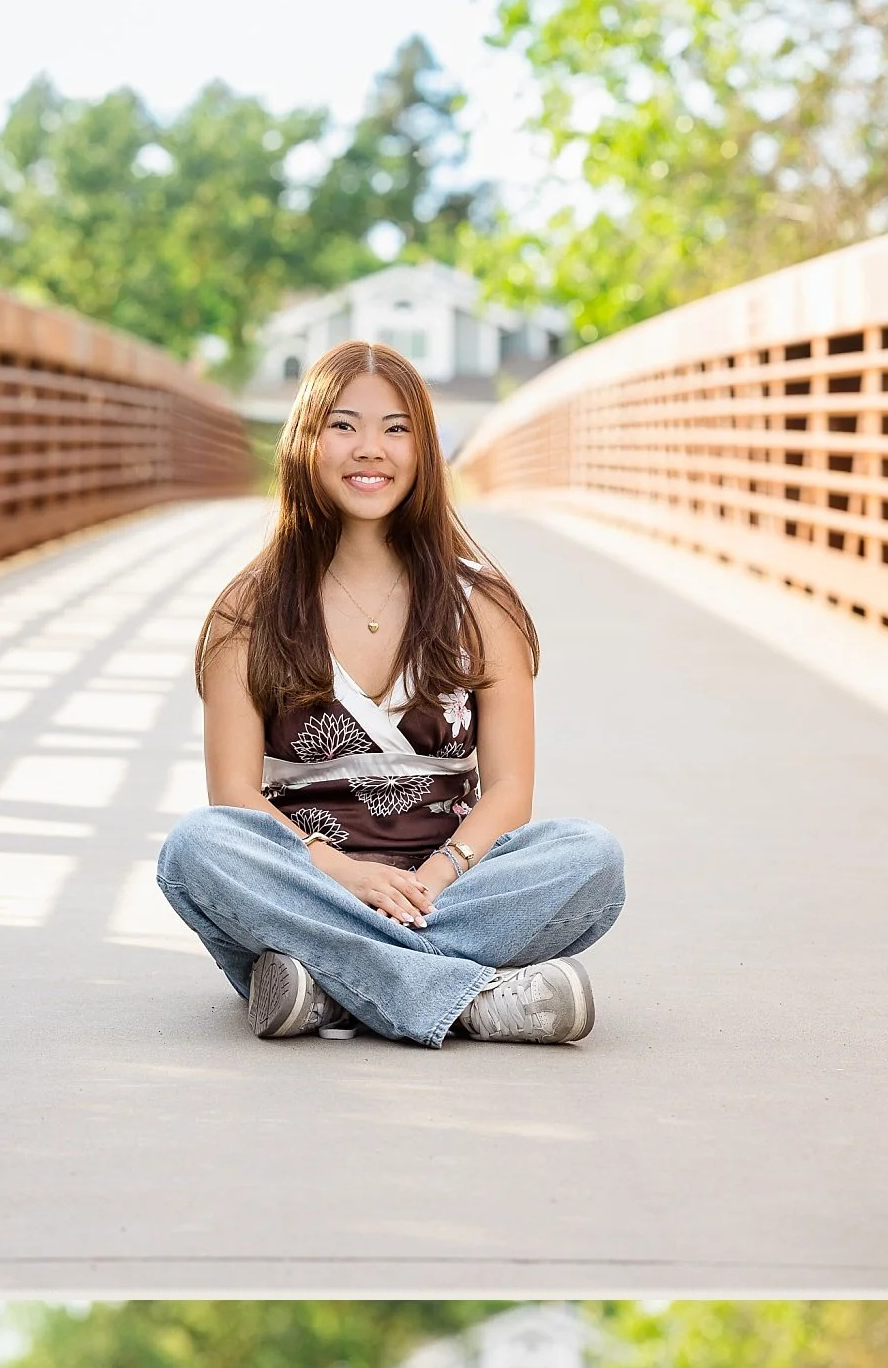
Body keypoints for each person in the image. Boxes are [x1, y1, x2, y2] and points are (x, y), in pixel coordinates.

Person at [158, 342, 624, 1045]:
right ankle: (471, 998)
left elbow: (509, 791)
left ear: (425, 450)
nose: (369, 449)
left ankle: (334, 992)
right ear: (305, 443)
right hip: (312, 886)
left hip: (448, 893)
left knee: (592, 858)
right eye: (343, 426)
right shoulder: (247, 613)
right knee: (195, 849)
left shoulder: (482, 605)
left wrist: (433, 879)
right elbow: (236, 799)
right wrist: (346, 877)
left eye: (396, 428)